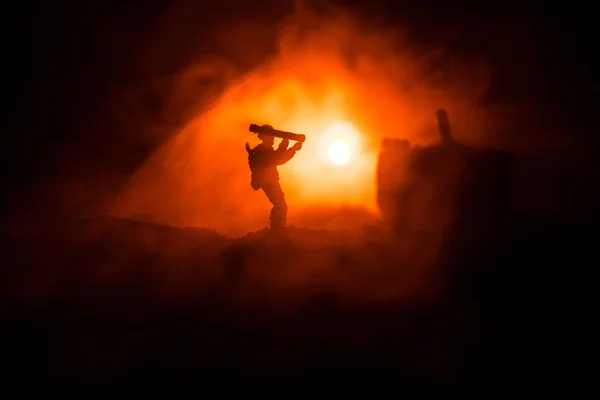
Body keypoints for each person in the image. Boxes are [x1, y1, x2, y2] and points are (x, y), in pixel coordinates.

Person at [245, 124, 303, 231]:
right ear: (266, 137)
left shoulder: (263, 150)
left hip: (269, 181)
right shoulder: (262, 151)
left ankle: (277, 228)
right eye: (272, 136)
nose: (273, 138)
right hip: (268, 181)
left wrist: (288, 145)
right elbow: (278, 159)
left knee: (280, 204)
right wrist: (290, 146)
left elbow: (278, 157)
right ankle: (277, 229)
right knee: (280, 205)